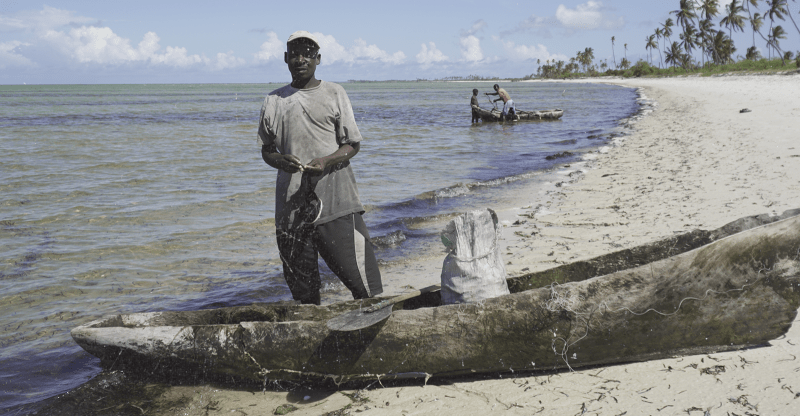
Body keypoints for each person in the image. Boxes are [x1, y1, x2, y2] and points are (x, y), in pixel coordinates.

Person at [258, 30, 383, 305]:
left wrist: (326, 161)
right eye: (294, 54)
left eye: (307, 54)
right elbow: (267, 151)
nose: (300, 59)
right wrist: (281, 160)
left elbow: (352, 144)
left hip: (337, 202)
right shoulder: (273, 101)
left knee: (365, 287)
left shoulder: (334, 93)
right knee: (304, 297)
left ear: (318, 59)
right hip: (291, 211)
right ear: (285, 58)